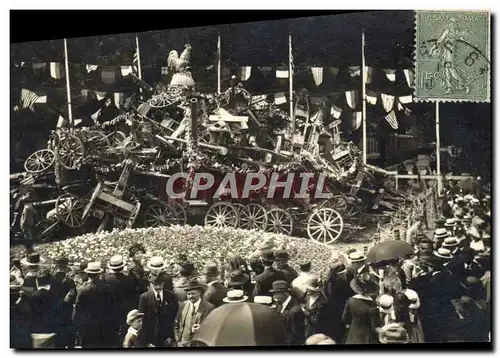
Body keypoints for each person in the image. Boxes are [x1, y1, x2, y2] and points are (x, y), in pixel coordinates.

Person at [72, 262, 116, 348]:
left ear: (88, 274)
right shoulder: (109, 288)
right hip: (105, 325)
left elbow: (77, 310)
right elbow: (113, 307)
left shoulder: (83, 290)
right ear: (99, 273)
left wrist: (76, 324)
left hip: (88, 327)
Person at [103, 255, 137, 345]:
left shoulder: (106, 280)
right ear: (122, 267)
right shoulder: (130, 279)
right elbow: (133, 297)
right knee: (124, 335)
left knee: (112, 336)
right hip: (125, 311)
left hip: (111, 311)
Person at [138, 272, 178, 348]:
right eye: (155, 285)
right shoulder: (144, 297)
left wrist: (171, 336)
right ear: (150, 284)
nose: (158, 287)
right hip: (151, 336)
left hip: (166, 335)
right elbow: (142, 320)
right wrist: (146, 340)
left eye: (160, 284)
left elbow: (174, 316)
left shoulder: (170, 295)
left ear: (163, 283)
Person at [342, 273, 380, 344]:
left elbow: (344, 318)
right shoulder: (373, 306)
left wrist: (348, 325)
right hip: (367, 338)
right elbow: (374, 327)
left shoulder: (350, 300)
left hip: (352, 334)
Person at [175, 279, 214, 347]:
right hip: (182, 344)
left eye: (193, 293)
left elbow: (213, 328)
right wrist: (178, 342)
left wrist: (202, 329)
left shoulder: (209, 307)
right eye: (188, 294)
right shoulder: (182, 305)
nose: (190, 296)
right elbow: (175, 325)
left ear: (200, 293)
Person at [29, 269, 64, 345]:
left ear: (37, 282)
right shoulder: (54, 296)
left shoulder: (33, 296)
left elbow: (31, 315)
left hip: (36, 333)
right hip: (51, 331)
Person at [50, 257, 77, 348]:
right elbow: (73, 298)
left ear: (57, 266)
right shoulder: (70, 281)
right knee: (69, 340)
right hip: (67, 312)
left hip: (54, 312)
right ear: (66, 266)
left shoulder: (51, 280)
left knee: (58, 341)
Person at [270, 280, 305, 345]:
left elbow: (296, 335)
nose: (273, 296)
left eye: (276, 293)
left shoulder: (295, 311)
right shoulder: (279, 304)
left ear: (285, 293)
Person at [302, 275, 332, 339]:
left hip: (316, 331)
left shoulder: (322, 303)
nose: (307, 291)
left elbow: (316, 321)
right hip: (308, 327)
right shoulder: (308, 295)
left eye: (309, 289)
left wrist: (305, 312)